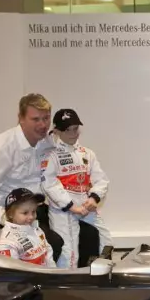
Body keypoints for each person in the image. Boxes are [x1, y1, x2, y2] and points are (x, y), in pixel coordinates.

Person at [0, 94, 60, 250]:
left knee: (88, 234)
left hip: (37, 208)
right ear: (21, 118)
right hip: (12, 215)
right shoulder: (2, 147)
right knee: (53, 244)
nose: (43, 125)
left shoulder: (48, 140)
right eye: (35, 119)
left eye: (46, 118)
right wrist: (8, 218)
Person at [41, 108, 113, 269]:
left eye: (76, 129)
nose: (74, 133)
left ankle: (105, 275)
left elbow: (102, 180)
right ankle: (64, 287)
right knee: (69, 254)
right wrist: (71, 207)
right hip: (63, 211)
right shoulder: (50, 155)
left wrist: (94, 198)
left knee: (106, 240)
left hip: (86, 206)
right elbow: (49, 184)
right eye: (68, 130)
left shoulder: (87, 153)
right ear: (57, 131)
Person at [0, 188, 56, 267]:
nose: (31, 217)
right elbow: (12, 275)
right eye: (25, 213)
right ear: (10, 214)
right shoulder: (5, 245)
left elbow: (48, 253)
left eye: (33, 211)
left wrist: (53, 274)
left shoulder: (36, 228)